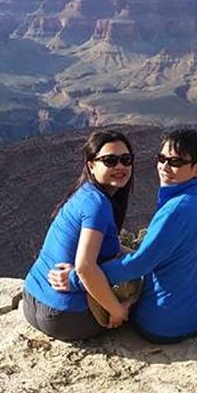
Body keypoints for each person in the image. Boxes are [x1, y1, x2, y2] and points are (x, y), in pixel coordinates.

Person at [50, 128, 197, 344]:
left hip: (164, 324)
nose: (164, 167)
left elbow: (139, 264)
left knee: (110, 296)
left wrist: (77, 279)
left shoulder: (177, 209)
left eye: (175, 162)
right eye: (161, 158)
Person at [22, 130, 137, 341]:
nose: (120, 166)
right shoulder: (98, 204)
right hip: (65, 317)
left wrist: (142, 256)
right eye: (110, 161)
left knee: (135, 270)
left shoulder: (86, 194)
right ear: (91, 165)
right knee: (146, 293)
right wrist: (118, 310)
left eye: (125, 159)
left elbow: (105, 247)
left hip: (31, 301)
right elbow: (85, 267)